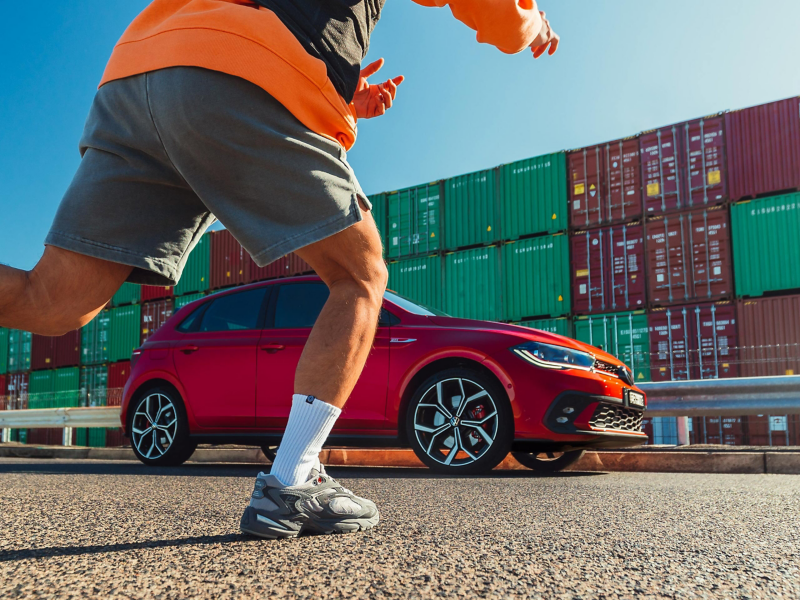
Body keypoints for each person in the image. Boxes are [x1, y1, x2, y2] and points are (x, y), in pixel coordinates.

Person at [0, 0, 559, 539]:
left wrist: (348, 92)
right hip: (236, 70)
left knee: (49, 302)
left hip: (137, 74)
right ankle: (293, 480)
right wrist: (529, 24)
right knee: (360, 276)